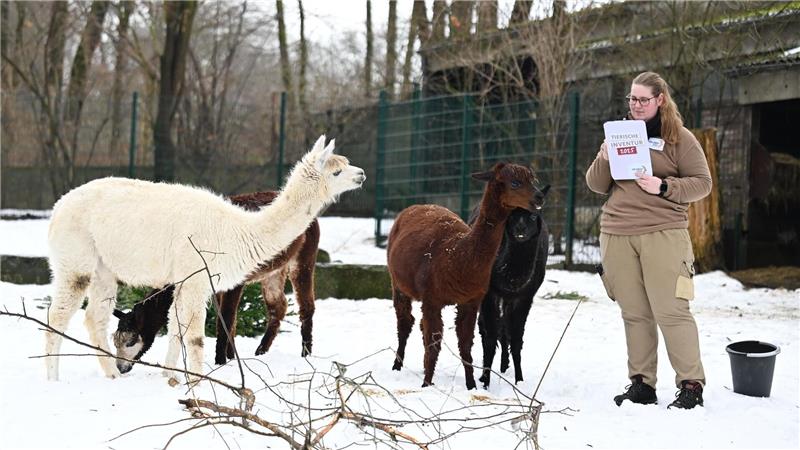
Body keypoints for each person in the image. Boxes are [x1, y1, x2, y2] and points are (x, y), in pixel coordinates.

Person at [586, 71, 712, 409]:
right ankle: (642, 384)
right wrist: (605, 156)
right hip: (617, 232)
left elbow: (703, 183)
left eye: (643, 99)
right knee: (634, 313)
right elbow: (596, 184)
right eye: (632, 98)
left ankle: (691, 385)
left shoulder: (679, 138)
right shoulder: (620, 133)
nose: (636, 105)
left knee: (672, 310)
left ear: (660, 100)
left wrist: (664, 186)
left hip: (663, 232)